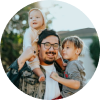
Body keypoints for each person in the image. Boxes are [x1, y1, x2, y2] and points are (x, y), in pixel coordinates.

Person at [7, 29, 65, 100]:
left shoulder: (64, 70)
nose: (51, 49)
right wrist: (22, 58)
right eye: (47, 44)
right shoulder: (25, 69)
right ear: (39, 47)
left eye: (55, 45)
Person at [23, 8, 65, 82]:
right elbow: (27, 43)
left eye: (37, 17)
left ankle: (62, 65)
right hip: (32, 53)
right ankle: (40, 74)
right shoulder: (29, 32)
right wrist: (30, 53)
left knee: (56, 53)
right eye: (31, 18)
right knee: (34, 63)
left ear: (43, 21)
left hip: (41, 52)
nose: (34, 19)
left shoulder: (45, 32)